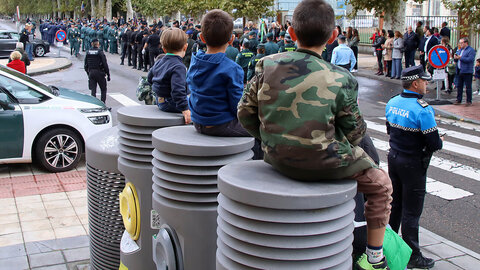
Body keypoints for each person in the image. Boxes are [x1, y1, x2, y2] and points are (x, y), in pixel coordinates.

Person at [237, 1, 392, 269]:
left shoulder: (267, 65)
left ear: (291, 33)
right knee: (381, 185)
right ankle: (375, 256)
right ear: (333, 36)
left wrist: (268, 140)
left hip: (274, 157)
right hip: (327, 163)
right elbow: (355, 131)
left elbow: (244, 113)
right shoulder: (341, 78)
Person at [386, 65, 443, 269]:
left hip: (394, 158)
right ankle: (413, 256)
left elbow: (389, 130)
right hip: (413, 165)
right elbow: (434, 144)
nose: (427, 84)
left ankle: (387, 248)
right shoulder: (423, 109)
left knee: (395, 206)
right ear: (415, 83)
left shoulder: (392, 102)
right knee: (412, 211)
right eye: (425, 81)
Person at [187, 9, 262, 160]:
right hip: (219, 124)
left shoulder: (195, 61)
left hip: (198, 121)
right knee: (261, 131)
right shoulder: (232, 68)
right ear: (232, 39)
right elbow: (237, 106)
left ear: (201, 37)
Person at [147, 28, 190, 124]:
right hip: (171, 103)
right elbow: (177, 90)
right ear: (185, 47)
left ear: (164, 49)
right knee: (199, 104)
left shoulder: (160, 61)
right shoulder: (179, 66)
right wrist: (185, 109)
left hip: (159, 100)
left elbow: (149, 78)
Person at [84, 39, 110, 104]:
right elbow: (105, 63)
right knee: (103, 89)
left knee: (93, 90)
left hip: (91, 72)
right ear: (98, 44)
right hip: (100, 73)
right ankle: (102, 104)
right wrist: (108, 74)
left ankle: (94, 104)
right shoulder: (100, 52)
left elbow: (85, 65)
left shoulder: (88, 52)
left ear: (92, 44)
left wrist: (88, 73)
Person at [454, 37, 476, 106]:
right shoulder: (460, 50)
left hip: (467, 71)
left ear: (466, 43)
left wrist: (460, 58)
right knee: (459, 86)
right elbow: (458, 57)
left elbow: (470, 59)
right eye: (459, 43)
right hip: (460, 70)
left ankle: (469, 101)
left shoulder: (471, 50)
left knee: (468, 87)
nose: (460, 44)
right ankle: (459, 99)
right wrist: (456, 58)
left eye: (461, 43)